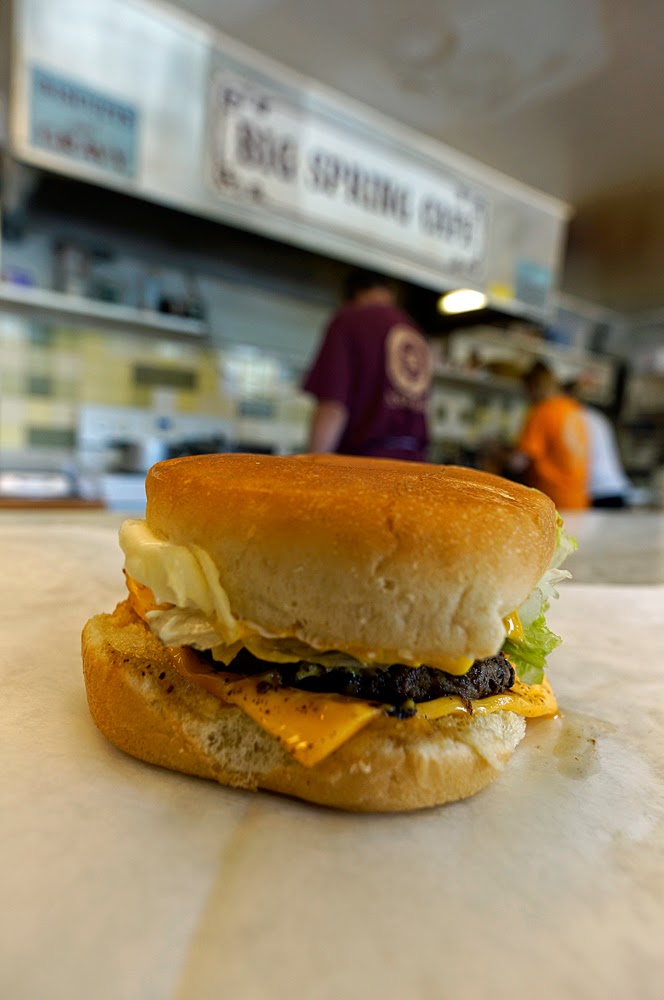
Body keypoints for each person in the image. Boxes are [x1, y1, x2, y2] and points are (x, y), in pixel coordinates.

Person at [302, 268, 432, 461]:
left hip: (365, 468)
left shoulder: (349, 320)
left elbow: (333, 407)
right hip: (418, 466)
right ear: (390, 293)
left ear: (350, 296)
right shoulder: (415, 332)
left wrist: (311, 467)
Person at [508, 361, 590, 510]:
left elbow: (517, 463)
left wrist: (499, 456)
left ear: (533, 387)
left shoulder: (542, 411)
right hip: (578, 501)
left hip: (551, 500)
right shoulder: (572, 408)